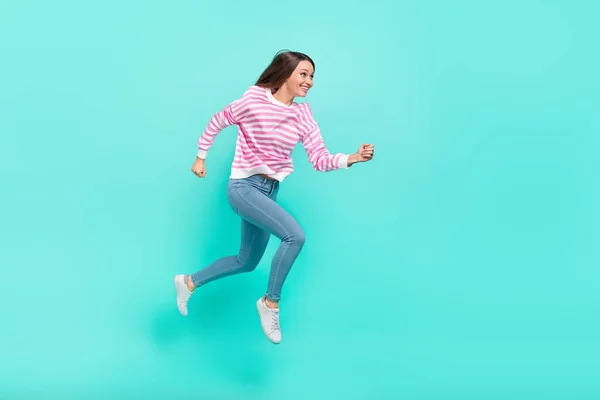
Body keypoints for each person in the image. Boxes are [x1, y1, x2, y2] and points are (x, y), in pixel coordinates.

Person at [174, 50, 375, 344]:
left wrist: (352, 158)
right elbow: (219, 120)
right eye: (304, 74)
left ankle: (189, 282)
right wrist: (200, 158)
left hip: (269, 192)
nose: (310, 81)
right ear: (286, 74)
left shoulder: (303, 115)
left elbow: (319, 159)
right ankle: (270, 302)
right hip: (243, 187)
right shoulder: (254, 98)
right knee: (295, 236)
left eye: (312, 76)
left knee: (247, 261)